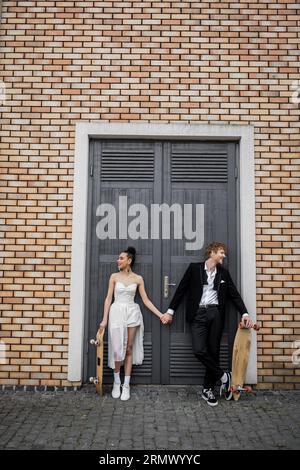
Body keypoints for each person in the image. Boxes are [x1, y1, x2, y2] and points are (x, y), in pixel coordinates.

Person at [161, 242, 254, 407]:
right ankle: (224, 376)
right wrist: (170, 311)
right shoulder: (194, 268)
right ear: (211, 253)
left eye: (224, 253)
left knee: (213, 351)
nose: (224, 256)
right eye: (221, 252)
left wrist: (245, 313)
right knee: (199, 350)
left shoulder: (223, 273)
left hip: (215, 314)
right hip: (198, 314)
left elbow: (234, 295)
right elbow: (181, 290)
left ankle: (207, 389)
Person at [99, 247, 163, 401]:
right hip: (116, 312)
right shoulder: (114, 276)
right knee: (117, 349)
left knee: (128, 348)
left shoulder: (138, 279)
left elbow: (146, 300)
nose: (118, 260)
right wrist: (104, 319)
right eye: (118, 258)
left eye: (121, 258)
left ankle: (126, 385)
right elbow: (108, 298)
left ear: (129, 260)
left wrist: (161, 315)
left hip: (132, 312)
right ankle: (116, 382)